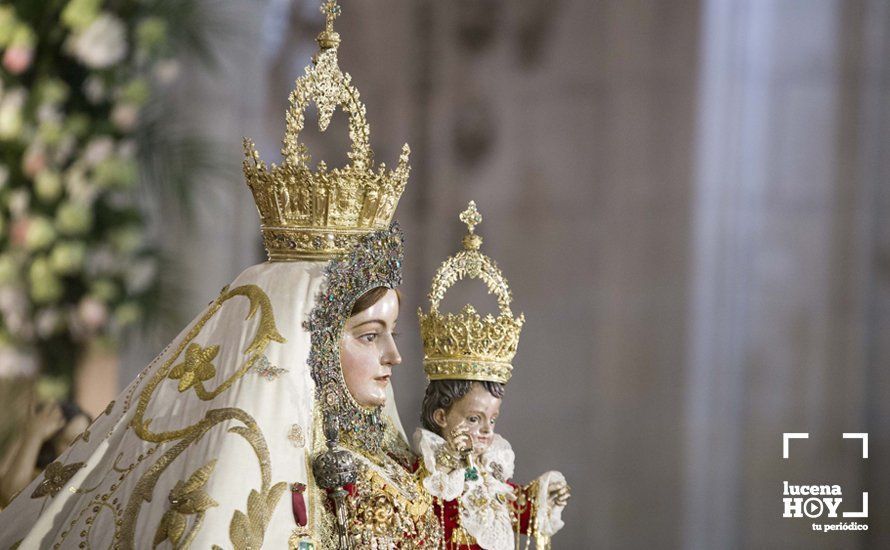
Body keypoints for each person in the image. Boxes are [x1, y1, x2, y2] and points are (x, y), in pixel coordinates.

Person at [0, 2, 436, 547]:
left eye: (389, 334)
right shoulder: (231, 480)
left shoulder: (400, 475)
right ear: (309, 342)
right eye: (370, 336)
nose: (394, 356)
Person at [414, 202, 570, 549]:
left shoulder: (487, 470)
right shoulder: (431, 477)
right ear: (441, 415)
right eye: (473, 418)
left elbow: (508, 506)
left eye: (492, 420)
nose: (486, 431)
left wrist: (543, 499)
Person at [0, 400, 91, 507]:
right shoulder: (40, 476)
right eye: (68, 441)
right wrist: (34, 435)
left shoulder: (88, 477)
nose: (79, 447)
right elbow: (11, 495)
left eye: (84, 438)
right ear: (52, 444)